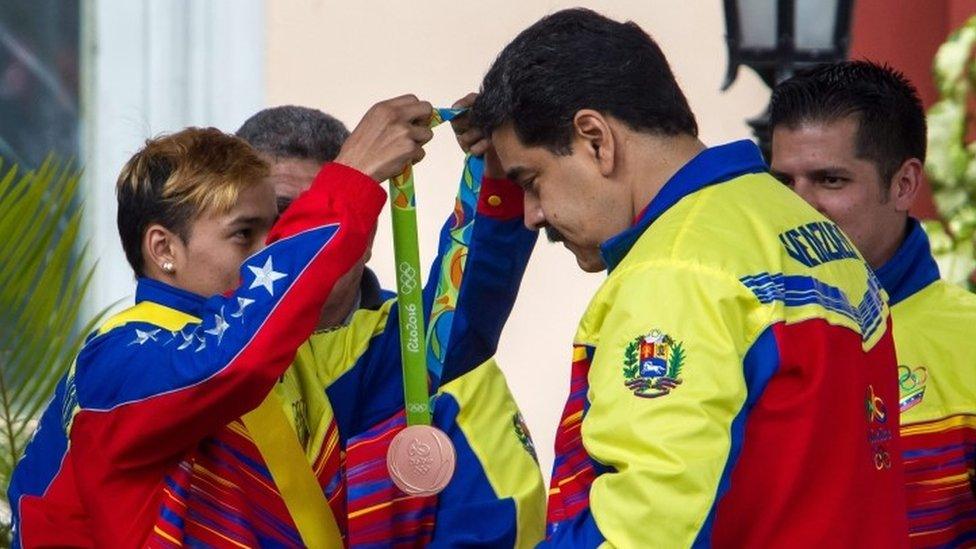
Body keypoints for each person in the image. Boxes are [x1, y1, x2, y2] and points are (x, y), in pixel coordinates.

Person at [471, 8, 908, 547]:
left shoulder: (674, 270)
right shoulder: (810, 230)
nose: (532, 214)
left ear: (595, 139)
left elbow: (642, 527)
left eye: (530, 180)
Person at [7, 95, 432, 547]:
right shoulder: (120, 359)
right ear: (164, 249)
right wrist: (351, 178)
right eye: (244, 234)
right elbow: (229, 363)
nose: (269, 251)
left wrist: (494, 193)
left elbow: (444, 341)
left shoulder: (279, 352)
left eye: (277, 230)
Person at [233, 102, 546, 546]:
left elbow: (495, 528)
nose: (304, 241)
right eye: (282, 217)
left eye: (327, 215)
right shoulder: (203, 357)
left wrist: (496, 169)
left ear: (367, 231)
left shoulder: (432, 355)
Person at [770, 60, 976, 548]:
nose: (798, 207)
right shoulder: (737, 329)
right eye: (783, 184)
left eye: (831, 180)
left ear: (904, 184)